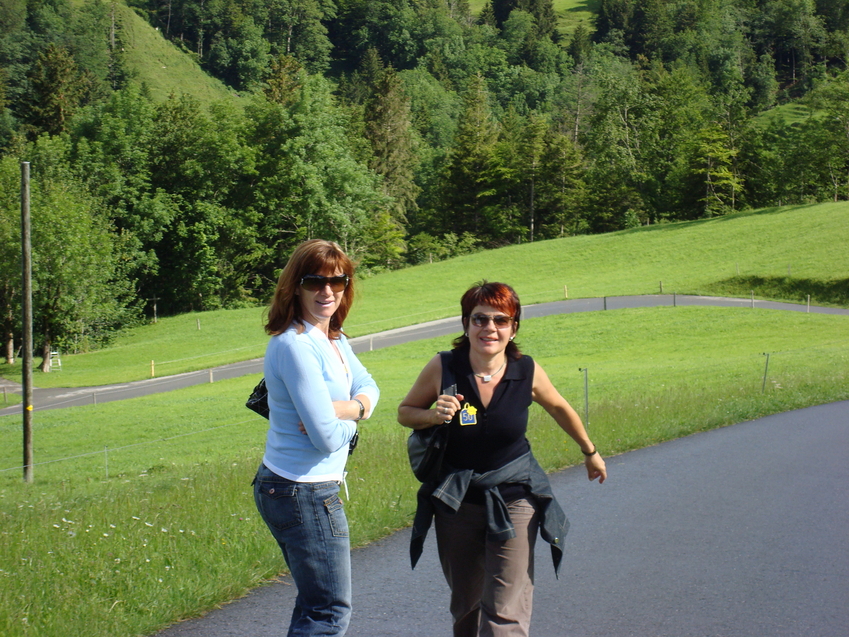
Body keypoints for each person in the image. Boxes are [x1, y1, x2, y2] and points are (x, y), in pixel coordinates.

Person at [398, 281, 606, 637]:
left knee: (505, 611)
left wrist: (590, 452)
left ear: (514, 328)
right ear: (466, 324)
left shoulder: (526, 371)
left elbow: (559, 407)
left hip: (515, 496)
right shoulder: (444, 367)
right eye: (480, 319)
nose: (490, 328)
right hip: (457, 500)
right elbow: (405, 412)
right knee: (466, 605)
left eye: (501, 320)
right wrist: (433, 415)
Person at [253, 239, 380, 637]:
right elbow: (324, 437)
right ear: (295, 287)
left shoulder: (334, 339)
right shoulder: (295, 345)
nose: (327, 291)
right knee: (328, 611)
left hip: (302, 488)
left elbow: (370, 387)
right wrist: (354, 418)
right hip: (301, 490)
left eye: (337, 281)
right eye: (315, 282)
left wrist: (345, 409)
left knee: (316, 605)